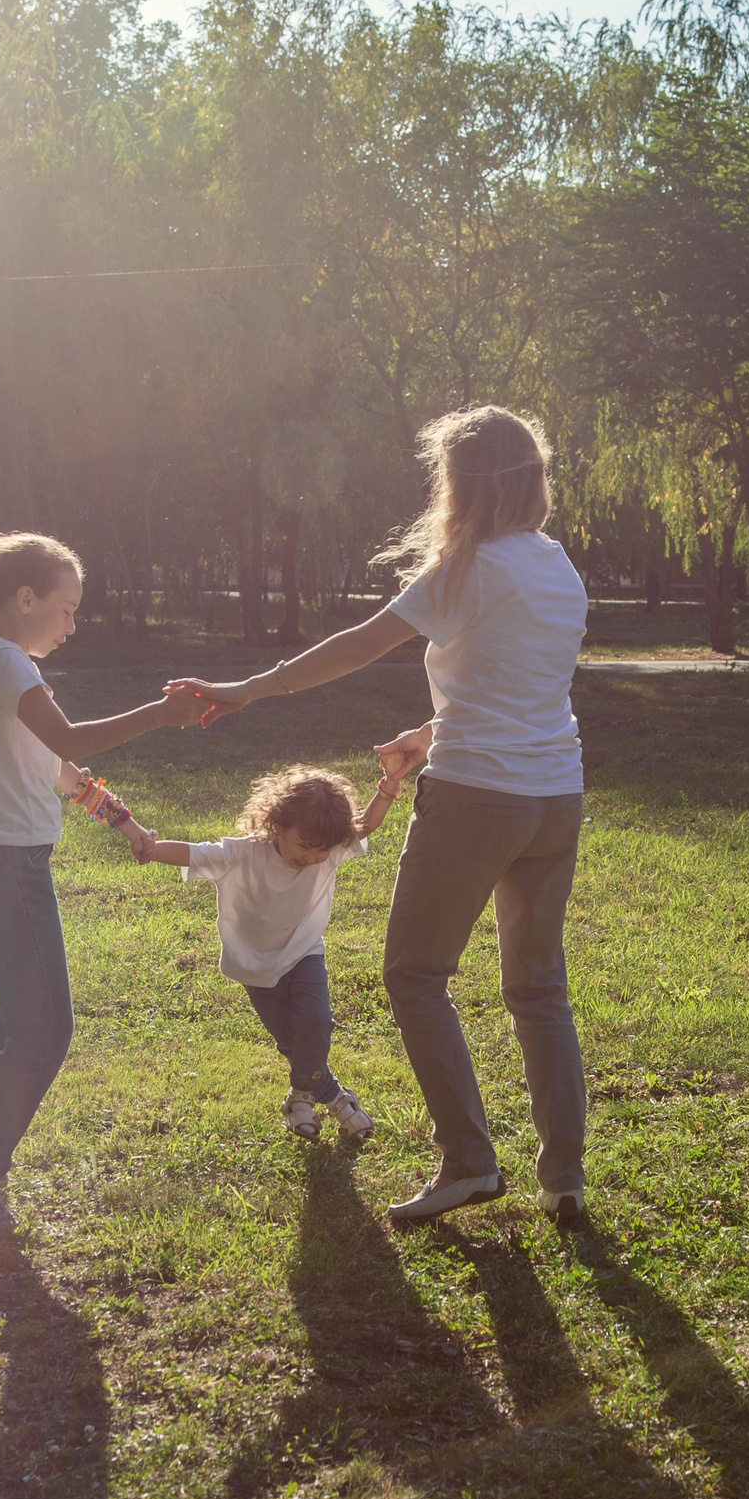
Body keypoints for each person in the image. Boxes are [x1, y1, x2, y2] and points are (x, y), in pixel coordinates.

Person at [171, 405, 591, 1228]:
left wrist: (245, 688)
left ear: (461, 484)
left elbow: (354, 647)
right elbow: (521, 684)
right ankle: (564, 1178)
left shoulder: (468, 569)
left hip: (476, 797)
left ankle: (470, 1161)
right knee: (540, 987)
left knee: (414, 975)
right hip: (555, 796)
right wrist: (429, 731)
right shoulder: (557, 565)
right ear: (532, 479)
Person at [0, 533, 209, 1233]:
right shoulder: (3, 659)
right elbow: (74, 740)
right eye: (65, 607)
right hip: (7, 864)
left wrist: (123, 823)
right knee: (47, 1026)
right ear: (24, 599)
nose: (72, 624)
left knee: (18, 1012)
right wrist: (160, 712)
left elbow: (60, 768)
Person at [117, 764, 399, 1143]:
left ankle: (327, 1100)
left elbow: (365, 826)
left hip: (304, 953)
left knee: (317, 1022)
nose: (314, 857)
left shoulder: (328, 847)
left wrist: (386, 792)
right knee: (291, 1041)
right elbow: (194, 854)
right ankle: (307, 1097)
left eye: (322, 850)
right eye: (305, 846)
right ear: (278, 825)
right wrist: (152, 849)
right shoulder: (243, 854)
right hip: (254, 964)